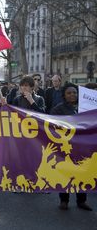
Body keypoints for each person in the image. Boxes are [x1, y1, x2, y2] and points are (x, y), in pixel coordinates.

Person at [50, 83, 92, 211]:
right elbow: (51, 124)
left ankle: (81, 201)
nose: (72, 95)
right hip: (66, 146)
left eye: (74, 92)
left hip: (83, 146)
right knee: (65, 174)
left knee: (82, 174)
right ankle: (64, 200)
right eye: (69, 93)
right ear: (64, 95)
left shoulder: (85, 108)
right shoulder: (58, 109)